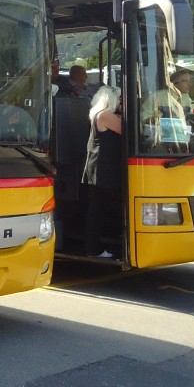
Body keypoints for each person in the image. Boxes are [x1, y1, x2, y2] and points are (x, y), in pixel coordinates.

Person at [82, 85, 123, 259]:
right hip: (103, 170)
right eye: (120, 99)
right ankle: (95, 248)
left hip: (98, 168)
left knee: (97, 209)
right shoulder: (106, 115)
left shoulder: (98, 114)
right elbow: (128, 130)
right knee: (100, 210)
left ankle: (95, 247)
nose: (121, 102)